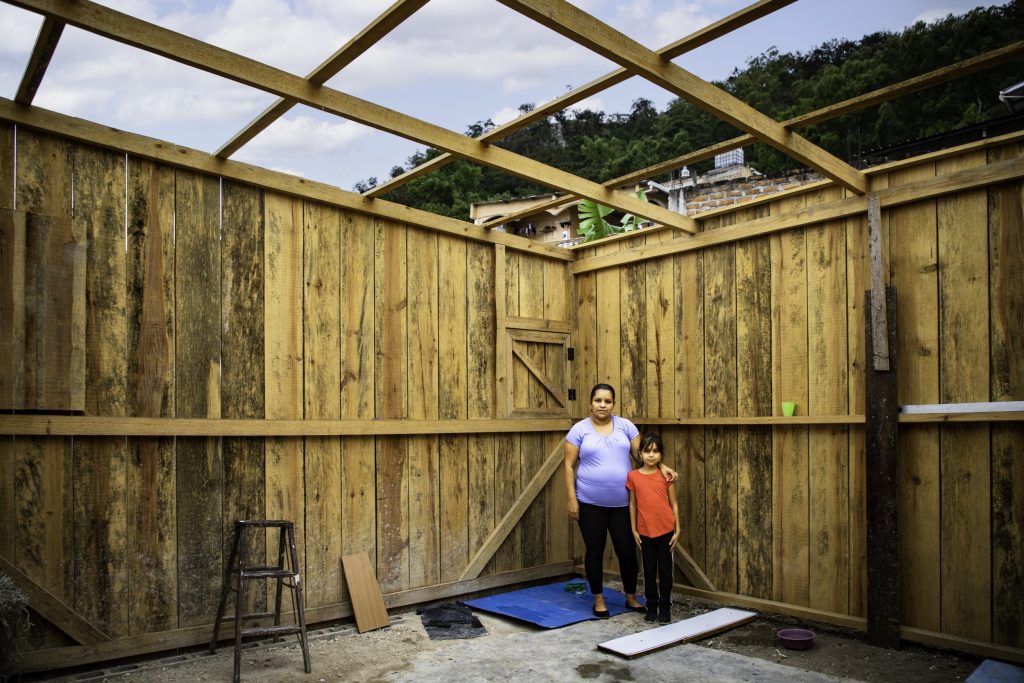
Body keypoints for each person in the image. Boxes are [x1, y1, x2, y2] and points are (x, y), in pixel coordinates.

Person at [564, 383, 675, 618]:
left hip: (623, 505)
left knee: (627, 551)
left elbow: (643, 455)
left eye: (607, 401)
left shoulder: (626, 426)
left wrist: (663, 465)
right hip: (589, 503)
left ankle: (631, 596)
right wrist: (572, 498)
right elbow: (568, 465)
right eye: (598, 400)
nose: (603, 405)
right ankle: (599, 599)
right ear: (590, 403)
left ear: (613, 403)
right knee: (595, 551)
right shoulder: (579, 430)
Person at [627, 433, 680, 624]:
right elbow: (632, 504)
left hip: (666, 530)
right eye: (647, 451)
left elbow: (674, 504)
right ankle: (652, 605)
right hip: (644, 532)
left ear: (661, 455)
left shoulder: (666, 476)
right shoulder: (633, 476)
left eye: (655, 451)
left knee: (665, 571)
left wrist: (678, 529)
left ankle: (665, 607)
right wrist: (634, 529)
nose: (651, 455)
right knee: (649, 571)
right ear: (639, 453)